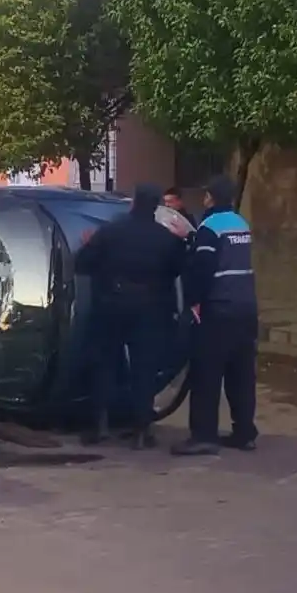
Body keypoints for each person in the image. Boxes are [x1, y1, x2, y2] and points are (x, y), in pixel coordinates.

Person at [75, 183, 187, 449]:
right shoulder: (165, 238)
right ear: (156, 207)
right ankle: (141, 430)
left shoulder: (111, 232)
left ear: (134, 203)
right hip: (150, 309)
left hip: (111, 305)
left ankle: (100, 427)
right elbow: (178, 270)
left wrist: (90, 245)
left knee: (104, 363)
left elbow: (82, 264)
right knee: (144, 369)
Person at [170, 175, 259, 456]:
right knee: (241, 375)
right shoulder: (240, 224)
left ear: (210, 197)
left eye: (206, 195)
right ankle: (244, 431)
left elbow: (203, 267)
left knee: (206, 375)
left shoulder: (210, 227)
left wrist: (194, 301)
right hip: (245, 309)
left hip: (218, 310)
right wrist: (192, 238)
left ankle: (203, 436)